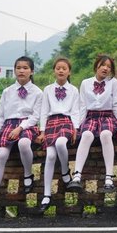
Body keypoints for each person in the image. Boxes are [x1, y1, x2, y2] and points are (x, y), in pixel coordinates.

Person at [0, 56, 42, 214]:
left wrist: (20, 128)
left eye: (25, 68)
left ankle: (28, 174)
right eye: (18, 68)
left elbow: (36, 116)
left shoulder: (38, 92)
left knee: (24, 144)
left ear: (32, 71)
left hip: (27, 125)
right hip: (8, 125)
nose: (21, 71)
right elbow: (1, 115)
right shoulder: (7, 91)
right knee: (1, 154)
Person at [68, 54, 117, 193]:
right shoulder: (86, 83)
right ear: (96, 65)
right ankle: (77, 175)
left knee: (106, 134)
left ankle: (109, 177)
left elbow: (116, 104)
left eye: (109, 67)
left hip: (107, 116)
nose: (105, 68)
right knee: (86, 135)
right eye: (103, 65)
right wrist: (77, 126)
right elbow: (82, 106)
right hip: (91, 116)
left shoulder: (113, 83)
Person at [37, 58, 80, 212]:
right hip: (51, 123)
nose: (61, 71)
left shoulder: (74, 90)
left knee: (61, 143)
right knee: (49, 156)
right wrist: (42, 130)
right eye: (58, 68)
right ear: (54, 70)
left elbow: (76, 110)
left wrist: (75, 128)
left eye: (64, 68)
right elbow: (43, 111)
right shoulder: (48, 89)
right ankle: (47, 194)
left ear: (69, 72)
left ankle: (64, 170)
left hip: (66, 121)